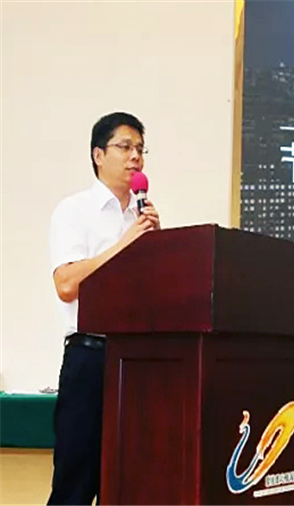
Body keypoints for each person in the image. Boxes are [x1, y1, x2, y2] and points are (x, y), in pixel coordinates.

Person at [47, 112, 160, 505]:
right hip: (90, 359)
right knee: (75, 487)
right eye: (125, 147)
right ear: (98, 155)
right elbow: (66, 285)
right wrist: (125, 245)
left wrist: (159, 248)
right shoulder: (74, 211)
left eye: (140, 149)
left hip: (139, 364)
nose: (136, 157)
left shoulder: (142, 218)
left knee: (132, 482)